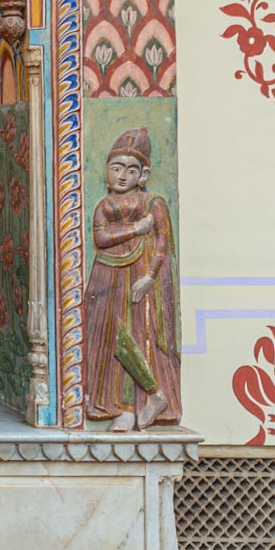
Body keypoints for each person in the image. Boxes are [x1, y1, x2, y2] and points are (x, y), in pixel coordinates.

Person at [82, 127, 181, 431]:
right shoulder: (103, 205)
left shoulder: (153, 203)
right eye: (116, 168)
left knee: (139, 334)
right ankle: (121, 407)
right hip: (106, 274)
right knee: (106, 337)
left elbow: (163, 243)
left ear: (143, 174)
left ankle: (148, 397)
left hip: (139, 274)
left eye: (130, 169)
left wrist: (150, 277)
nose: (122, 176)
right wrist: (137, 230)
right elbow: (101, 238)